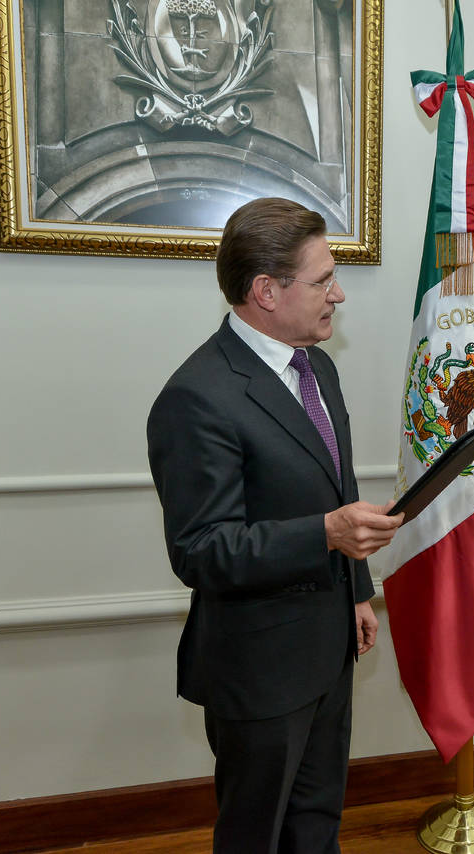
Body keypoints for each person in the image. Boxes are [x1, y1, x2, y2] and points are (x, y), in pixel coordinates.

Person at [147, 197, 403, 853]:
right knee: (255, 837)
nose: (338, 295)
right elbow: (201, 550)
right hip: (258, 668)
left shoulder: (317, 366)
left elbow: (337, 486)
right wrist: (326, 534)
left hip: (329, 645)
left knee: (316, 826)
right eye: (323, 281)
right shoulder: (197, 397)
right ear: (266, 291)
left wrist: (357, 591)